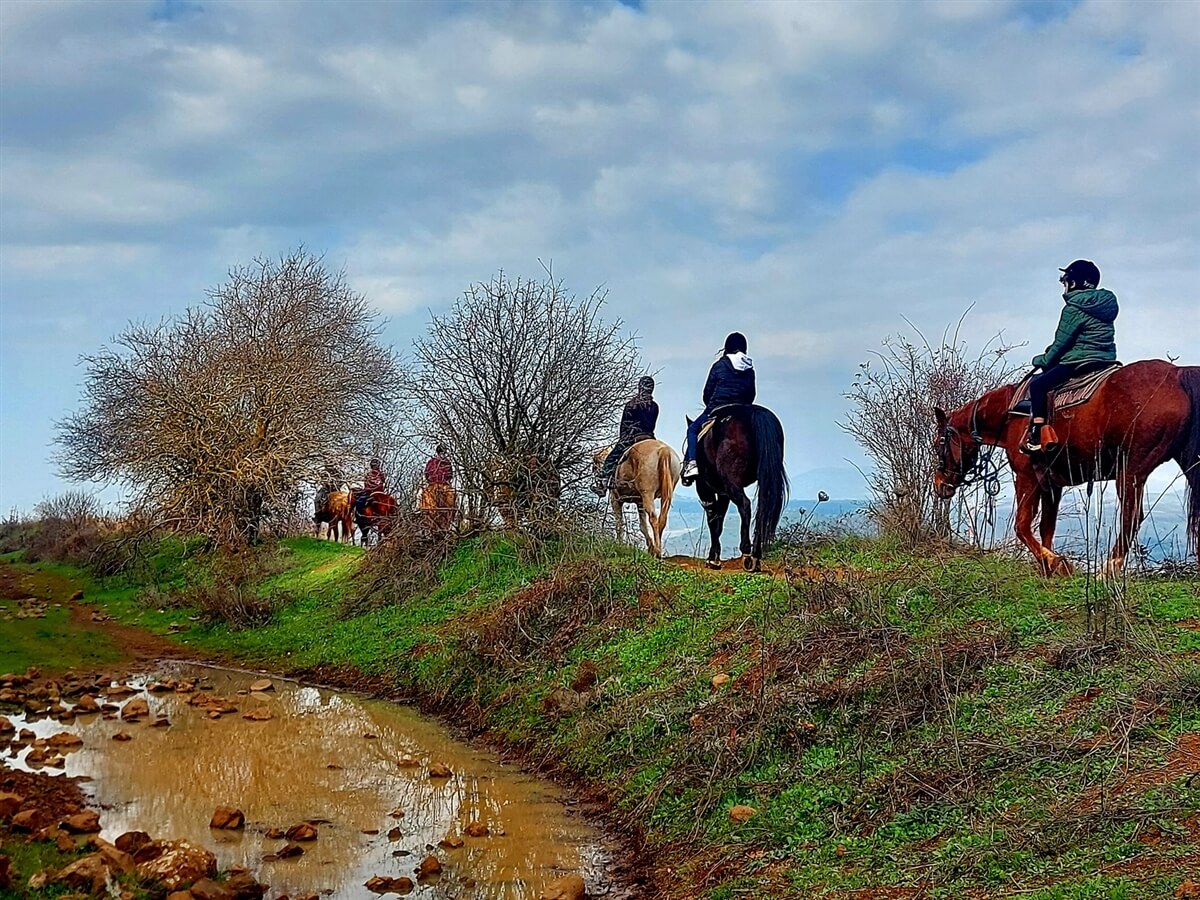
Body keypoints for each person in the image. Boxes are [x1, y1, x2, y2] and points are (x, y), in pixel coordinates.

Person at [1022, 260, 1119, 453]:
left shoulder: (1073, 308)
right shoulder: (1106, 305)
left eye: (1066, 281)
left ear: (1073, 283)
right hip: (1105, 360)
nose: (1065, 286)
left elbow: (1061, 344)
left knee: (1038, 386)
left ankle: (1038, 432)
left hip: (1078, 361)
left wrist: (1042, 360)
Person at [681, 332, 756, 485]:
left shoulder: (719, 366)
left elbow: (707, 393)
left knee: (693, 430)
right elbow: (751, 394)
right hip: (742, 409)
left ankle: (692, 464)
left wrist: (711, 404)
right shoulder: (749, 369)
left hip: (718, 407)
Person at [593, 376, 660, 495]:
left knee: (612, 457)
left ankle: (603, 483)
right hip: (649, 437)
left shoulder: (631, 405)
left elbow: (624, 426)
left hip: (632, 437)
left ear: (640, 387)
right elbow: (652, 425)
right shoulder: (655, 406)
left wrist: (623, 439)